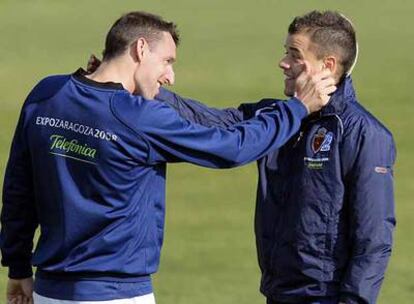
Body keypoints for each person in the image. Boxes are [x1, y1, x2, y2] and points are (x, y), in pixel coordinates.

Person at [0, 11, 336, 304]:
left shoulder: (46, 93)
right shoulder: (139, 118)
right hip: (117, 294)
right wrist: (298, 108)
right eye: (167, 62)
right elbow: (232, 147)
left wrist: (17, 266)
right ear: (140, 49)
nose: (170, 76)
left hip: (48, 291)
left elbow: (18, 188)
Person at [139, 11, 395, 304]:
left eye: (294, 54)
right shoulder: (276, 118)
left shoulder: (363, 134)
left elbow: (373, 241)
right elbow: (208, 121)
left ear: (328, 65)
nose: (283, 63)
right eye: (285, 52)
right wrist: (140, 86)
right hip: (277, 293)